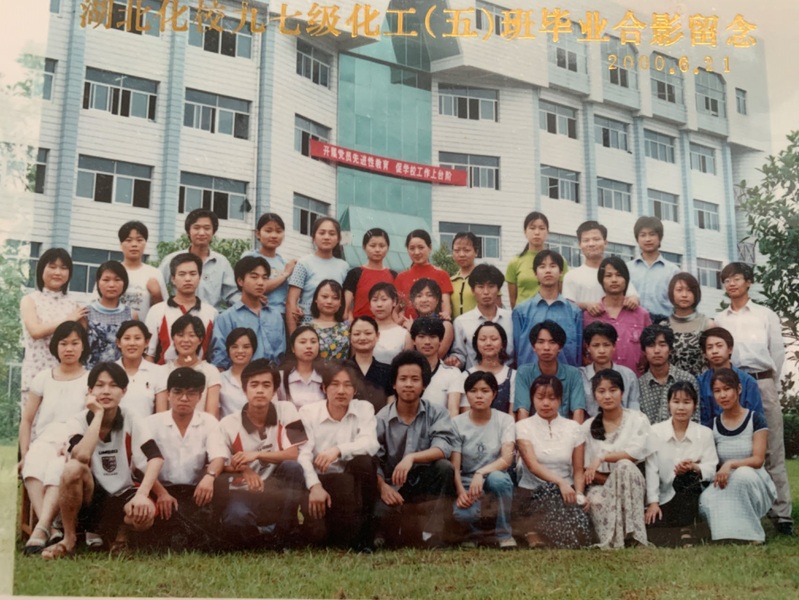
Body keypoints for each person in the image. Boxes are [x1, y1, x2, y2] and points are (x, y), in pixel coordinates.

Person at [43, 362, 164, 559]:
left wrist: (142, 494)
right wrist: (98, 414)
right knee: (72, 468)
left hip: (123, 492)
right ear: (90, 391)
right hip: (89, 496)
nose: (106, 391)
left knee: (147, 514)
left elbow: (155, 457)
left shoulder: (131, 417)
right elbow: (82, 456)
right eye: (99, 385)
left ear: (124, 391)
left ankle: (121, 536)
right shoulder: (77, 421)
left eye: (113, 385)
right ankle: (69, 539)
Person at [714, 262, 793, 535]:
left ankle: (782, 515)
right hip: (730, 384)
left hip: (761, 381)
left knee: (772, 449)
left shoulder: (765, 314)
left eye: (737, 278)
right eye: (727, 280)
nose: (732, 284)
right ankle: (742, 509)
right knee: (737, 448)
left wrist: (768, 384)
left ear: (748, 281)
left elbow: (778, 354)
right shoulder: (720, 319)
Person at [215, 359, 307, 548]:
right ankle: (262, 535)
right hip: (245, 489)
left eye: (266, 385)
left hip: (276, 488)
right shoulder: (227, 423)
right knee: (235, 519)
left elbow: (294, 454)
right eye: (254, 385)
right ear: (244, 389)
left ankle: (283, 532)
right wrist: (244, 469)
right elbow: (220, 463)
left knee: (293, 468)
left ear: (274, 391)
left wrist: (256, 455)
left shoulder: (288, 409)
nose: (260, 390)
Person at [18, 321, 90, 555]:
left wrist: (74, 445)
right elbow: (27, 420)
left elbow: (90, 420)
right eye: (63, 343)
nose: (69, 348)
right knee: (32, 463)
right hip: (44, 439)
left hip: (72, 442)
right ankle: (49, 527)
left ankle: (41, 530)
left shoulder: (90, 378)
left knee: (57, 468)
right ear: (55, 346)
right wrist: (24, 452)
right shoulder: (43, 377)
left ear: (83, 346)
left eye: (74, 343)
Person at [375, 350, 457, 547]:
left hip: (425, 487)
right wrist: (383, 488)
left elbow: (443, 448)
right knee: (389, 536)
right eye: (403, 379)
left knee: (445, 467)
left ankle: (434, 533)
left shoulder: (437, 413)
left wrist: (411, 457)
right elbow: (374, 461)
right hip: (393, 487)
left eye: (415, 379)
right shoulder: (381, 418)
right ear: (394, 384)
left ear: (424, 385)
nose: (409, 384)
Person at [298, 363, 380, 550]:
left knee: (365, 462)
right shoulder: (307, 413)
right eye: (335, 384)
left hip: (350, 481)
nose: (341, 391)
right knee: (319, 537)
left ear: (355, 390)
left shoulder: (364, 408)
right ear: (324, 388)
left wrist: (338, 449)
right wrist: (315, 486)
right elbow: (303, 454)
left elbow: (371, 443)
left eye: (347, 385)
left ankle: (366, 535)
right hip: (320, 481)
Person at [147, 368, 227, 550]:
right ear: (168, 394)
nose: (184, 398)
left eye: (191, 393)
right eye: (178, 392)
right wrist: (161, 493)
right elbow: (140, 466)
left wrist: (209, 477)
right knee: (164, 541)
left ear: (199, 397)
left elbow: (219, 456)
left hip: (196, 491)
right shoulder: (151, 424)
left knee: (203, 540)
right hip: (161, 490)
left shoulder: (209, 422)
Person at [699, 368, 777, 543]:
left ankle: (753, 535)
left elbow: (758, 460)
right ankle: (729, 534)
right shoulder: (712, 425)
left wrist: (730, 464)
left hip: (753, 479)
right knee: (705, 500)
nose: (723, 395)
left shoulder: (755, 419)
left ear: (739, 389)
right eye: (717, 391)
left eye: (727, 389)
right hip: (725, 480)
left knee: (742, 475)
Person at [515, 376, 591, 549]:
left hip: (567, 494)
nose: (546, 403)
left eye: (552, 398)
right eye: (540, 397)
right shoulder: (523, 426)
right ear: (532, 399)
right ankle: (535, 532)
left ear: (560, 399)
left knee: (581, 536)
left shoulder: (573, 428)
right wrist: (560, 482)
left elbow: (578, 470)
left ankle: (543, 534)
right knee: (550, 493)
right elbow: (533, 466)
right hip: (533, 492)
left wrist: (579, 493)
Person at [582, 369, 652, 549]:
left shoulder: (637, 419)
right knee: (596, 499)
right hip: (602, 486)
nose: (607, 396)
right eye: (601, 391)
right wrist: (613, 482)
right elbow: (587, 471)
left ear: (622, 392)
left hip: (633, 485)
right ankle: (614, 541)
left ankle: (635, 537)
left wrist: (603, 457)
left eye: (613, 390)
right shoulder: (587, 427)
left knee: (624, 465)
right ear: (594, 395)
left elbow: (635, 454)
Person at [645, 382, 718, 545]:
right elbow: (651, 469)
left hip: (693, 497)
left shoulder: (704, 433)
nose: (681, 407)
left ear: (695, 405)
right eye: (676, 401)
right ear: (668, 404)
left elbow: (712, 468)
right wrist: (653, 503)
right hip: (664, 496)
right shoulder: (655, 432)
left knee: (687, 476)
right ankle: (681, 531)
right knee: (656, 535)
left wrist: (695, 467)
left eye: (686, 402)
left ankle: (687, 529)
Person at [451, 372, 516, 548]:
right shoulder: (456, 423)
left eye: (485, 391)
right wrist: (460, 492)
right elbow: (455, 466)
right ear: (466, 394)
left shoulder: (505, 420)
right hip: (467, 480)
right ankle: (473, 534)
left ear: (494, 394)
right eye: (473, 391)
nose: (479, 395)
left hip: (494, 476)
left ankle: (504, 534)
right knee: (462, 513)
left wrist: (481, 473)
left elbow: (507, 459)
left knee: (499, 479)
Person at [20, 247, 85, 408]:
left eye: (63, 268)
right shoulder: (30, 300)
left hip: (68, 377)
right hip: (37, 374)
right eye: (52, 266)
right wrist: (68, 320)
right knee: (33, 422)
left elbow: (83, 339)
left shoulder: (74, 304)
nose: (58, 272)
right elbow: (35, 331)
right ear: (41, 269)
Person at [208, 256, 286, 369]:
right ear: (240, 281)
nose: (260, 282)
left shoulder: (275, 316)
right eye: (254, 277)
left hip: (272, 376)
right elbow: (220, 360)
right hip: (240, 376)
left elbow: (281, 355)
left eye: (264, 278)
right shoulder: (226, 318)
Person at [512, 250, 582, 367]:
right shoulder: (521, 311)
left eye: (553, 266)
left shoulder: (574, 312)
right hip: (531, 375)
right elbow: (517, 348)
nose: (548, 270)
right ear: (535, 273)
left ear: (561, 272)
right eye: (542, 266)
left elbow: (578, 351)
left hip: (565, 375)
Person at [158, 208, 238, 310]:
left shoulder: (221, 262)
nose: (201, 233)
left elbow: (232, 294)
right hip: (179, 316)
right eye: (196, 228)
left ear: (213, 232)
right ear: (188, 231)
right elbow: (157, 286)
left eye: (207, 228)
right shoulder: (172, 259)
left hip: (212, 317)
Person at [583, 257, 651, 374]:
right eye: (608, 276)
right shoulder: (589, 315)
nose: (614, 280)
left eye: (619, 275)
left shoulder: (641, 314)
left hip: (635, 379)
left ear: (626, 280)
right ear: (601, 280)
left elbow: (651, 346)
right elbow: (583, 352)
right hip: (600, 382)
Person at [145, 253, 216, 365]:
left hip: (200, 373)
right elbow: (149, 355)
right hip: (164, 373)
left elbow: (214, 354)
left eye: (193, 274)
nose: (188, 279)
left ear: (199, 277)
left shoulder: (212, 313)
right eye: (182, 274)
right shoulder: (156, 311)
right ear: (173, 279)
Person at [514, 321, 586, 423]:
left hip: (566, 430)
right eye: (541, 342)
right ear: (533, 346)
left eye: (552, 342)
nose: (546, 348)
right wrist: (525, 432)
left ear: (560, 347)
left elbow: (578, 411)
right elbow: (523, 410)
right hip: (533, 429)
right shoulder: (524, 372)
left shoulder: (573, 374)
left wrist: (575, 433)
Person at [286, 216, 349, 333]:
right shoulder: (304, 263)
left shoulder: (344, 267)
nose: (326, 237)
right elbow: (291, 301)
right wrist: (293, 337)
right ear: (314, 236)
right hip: (307, 328)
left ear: (338, 238)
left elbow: (346, 301)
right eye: (322, 233)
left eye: (332, 233)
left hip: (334, 329)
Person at [562, 220, 639, 313]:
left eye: (596, 239)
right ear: (580, 245)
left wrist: (634, 299)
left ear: (605, 243)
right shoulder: (571, 276)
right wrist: (586, 305)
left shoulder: (617, 273)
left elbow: (633, 296)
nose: (591, 244)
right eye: (586, 240)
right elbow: (567, 306)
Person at [447, 264, 513, 370]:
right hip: (475, 378)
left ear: (498, 289)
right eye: (480, 287)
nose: (486, 292)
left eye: (491, 286)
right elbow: (459, 354)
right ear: (473, 290)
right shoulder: (461, 321)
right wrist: (455, 360)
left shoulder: (512, 318)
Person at [697, 327, 764, 428]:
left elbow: (757, 420)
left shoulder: (748, 382)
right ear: (705, 354)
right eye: (709, 347)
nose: (714, 351)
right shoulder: (700, 382)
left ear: (730, 349)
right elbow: (701, 419)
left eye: (719, 346)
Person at [161, 314, 221, 419]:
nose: (186, 340)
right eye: (180, 335)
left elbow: (211, 415)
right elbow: (161, 415)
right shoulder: (162, 371)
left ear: (200, 339)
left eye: (192, 335)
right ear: (173, 338)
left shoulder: (211, 371)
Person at [638, 325, 698, 426]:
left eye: (662, 345)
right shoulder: (639, 385)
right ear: (644, 351)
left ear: (670, 349)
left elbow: (695, 418)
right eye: (651, 345)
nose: (657, 350)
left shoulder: (687, 379)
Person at [505, 212, 567, 308]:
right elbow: (513, 301)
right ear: (525, 231)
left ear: (547, 232)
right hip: (524, 314)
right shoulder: (515, 262)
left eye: (541, 228)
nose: (537, 232)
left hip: (551, 313)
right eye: (532, 228)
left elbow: (562, 293)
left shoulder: (559, 260)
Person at [240, 212, 297, 317]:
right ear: (258, 234)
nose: (274, 235)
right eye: (268, 231)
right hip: (256, 314)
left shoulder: (283, 263)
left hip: (281, 316)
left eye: (279, 231)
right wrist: (285, 274)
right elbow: (252, 286)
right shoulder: (250, 257)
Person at [580, 322, 640, 417]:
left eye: (606, 345)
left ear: (614, 346)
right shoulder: (580, 376)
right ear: (588, 347)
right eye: (596, 345)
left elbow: (634, 411)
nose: (601, 351)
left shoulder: (628, 375)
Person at [659, 272, 715, 376]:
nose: (684, 295)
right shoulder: (663, 326)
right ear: (671, 293)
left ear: (696, 294)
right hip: (672, 383)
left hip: (700, 382)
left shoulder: (707, 324)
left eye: (689, 290)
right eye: (679, 290)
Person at [626, 216, 681, 319]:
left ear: (660, 237)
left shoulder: (673, 271)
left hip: (663, 323)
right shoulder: (627, 269)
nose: (648, 239)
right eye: (643, 235)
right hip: (632, 322)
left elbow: (680, 302)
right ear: (637, 239)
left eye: (652, 234)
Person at [86, 260, 136, 369]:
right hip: (91, 373)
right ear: (98, 282)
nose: (112, 285)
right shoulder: (86, 313)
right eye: (106, 280)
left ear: (124, 283)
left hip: (121, 373)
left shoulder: (131, 314)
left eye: (117, 280)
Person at [458, 322, 516, 415]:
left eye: (494, 339)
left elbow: (512, 415)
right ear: (476, 344)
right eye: (482, 339)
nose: (488, 343)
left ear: (503, 343)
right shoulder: (465, 376)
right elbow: (466, 415)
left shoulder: (513, 375)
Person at [394, 229, 453, 319]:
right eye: (412, 248)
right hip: (407, 325)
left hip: (434, 325)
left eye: (421, 247)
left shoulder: (442, 275)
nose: (416, 252)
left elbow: (446, 308)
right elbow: (396, 308)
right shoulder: (401, 277)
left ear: (430, 247)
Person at [411, 317, 463, 417]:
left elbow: (453, 412)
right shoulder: (404, 371)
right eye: (421, 336)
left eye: (433, 336)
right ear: (413, 340)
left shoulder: (453, 373)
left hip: (441, 425)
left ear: (440, 340)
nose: (427, 342)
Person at [342, 228, 397, 321]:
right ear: (364, 247)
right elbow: (346, 308)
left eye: (382, 246)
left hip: (386, 325)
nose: (377, 250)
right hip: (361, 325)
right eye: (372, 245)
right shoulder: (355, 273)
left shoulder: (394, 275)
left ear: (387, 248)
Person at [115, 320, 167, 418]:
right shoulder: (109, 372)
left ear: (146, 342)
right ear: (118, 343)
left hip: (147, 427)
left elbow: (161, 416)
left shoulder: (158, 372)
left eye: (137, 338)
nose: (132, 343)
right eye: (127, 338)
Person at [118, 221, 167, 322]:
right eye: (128, 240)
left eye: (139, 240)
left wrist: (157, 294)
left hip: (144, 330)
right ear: (121, 244)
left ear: (145, 243)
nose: (134, 244)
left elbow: (163, 310)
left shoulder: (154, 273)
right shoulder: (112, 271)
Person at [346, 316, 393, 412]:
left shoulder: (388, 371)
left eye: (368, 333)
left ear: (377, 336)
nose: (362, 338)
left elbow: (390, 406)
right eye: (357, 334)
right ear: (350, 337)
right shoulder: (341, 369)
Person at [277, 325, 325, 409]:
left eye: (313, 342)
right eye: (303, 342)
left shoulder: (326, 375)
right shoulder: (280, 377)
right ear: (293, 348)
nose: (309, 346)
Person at [405, 278, 453, 358]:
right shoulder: (410, 324)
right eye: (419, 296)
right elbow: (407, 356)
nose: (424, 300)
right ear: (413, 301)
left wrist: (413, 331)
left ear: (437, 300)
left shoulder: (445, 324)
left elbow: (437, 356)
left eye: (429, 295)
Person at [218, 328, 256, 418]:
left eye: (246, 347)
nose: (240, 351)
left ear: (253, 350)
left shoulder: (262, 377)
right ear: (228, 350)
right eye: (234, 347)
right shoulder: (220, 379)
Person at [309, 279, 350, 360]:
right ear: (316, 299)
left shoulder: (348, 327)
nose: (329, 301)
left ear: (341, 302)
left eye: (335, 298)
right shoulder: (306, 328)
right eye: (325, 297)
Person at [369, 282, 407, 365]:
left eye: (384, 299)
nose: (379, 305)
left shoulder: (404, 334)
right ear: (370, 305)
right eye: (375, 300)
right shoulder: (362, 331)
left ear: (394, 302)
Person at [448, 232, 480, 319]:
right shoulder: (450, 281)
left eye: (466, 250)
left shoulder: (485, 278)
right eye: (457, 250)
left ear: (476, 252)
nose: (461, 254)